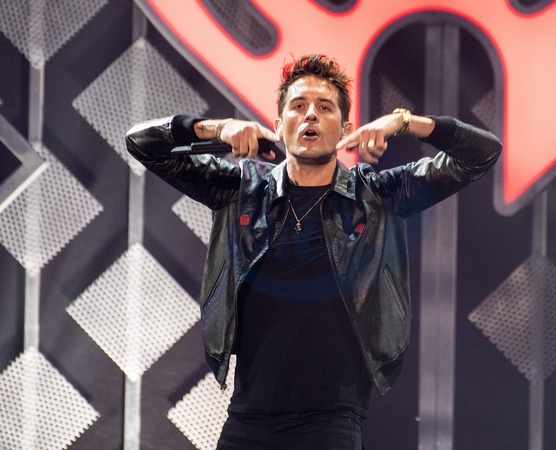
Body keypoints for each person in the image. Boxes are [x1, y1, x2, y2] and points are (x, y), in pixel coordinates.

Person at [126, 54, 501, 450]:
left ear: (346, 129)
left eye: (325, 108)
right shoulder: (241, 191)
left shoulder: (377, 196)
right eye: (299, 106)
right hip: (247, 421)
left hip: (332, 424)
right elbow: (142, 144)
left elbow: (481, 154)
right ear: (278, 126)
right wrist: (216, 128)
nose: (310, 115)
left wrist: (404, 122)